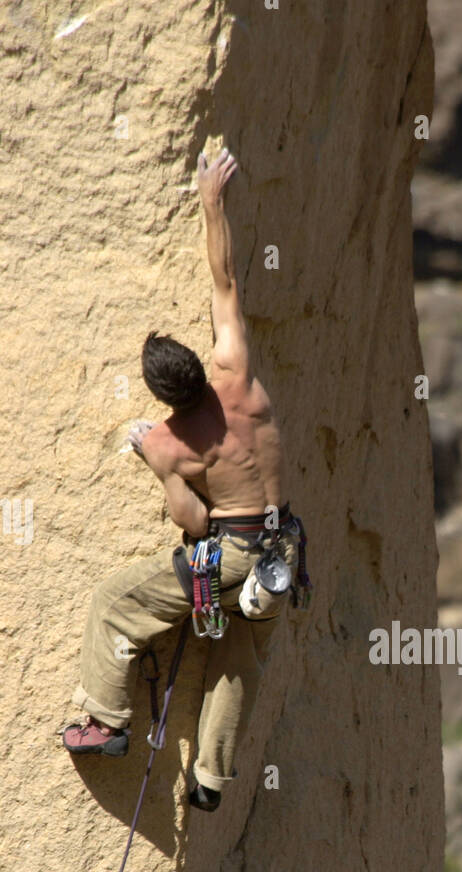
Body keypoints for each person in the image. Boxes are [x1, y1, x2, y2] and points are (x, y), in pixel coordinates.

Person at [62, 148, 301, 813]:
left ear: (162, 397)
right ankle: (211, 780)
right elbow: (225, 280)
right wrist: (212, 200)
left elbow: (193, 524)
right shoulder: (239, 376)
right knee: (232, 652)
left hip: (225, 557)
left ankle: (106, 723)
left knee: (116, 600)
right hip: (283, 549)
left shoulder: (170, 442)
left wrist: (150, 454)